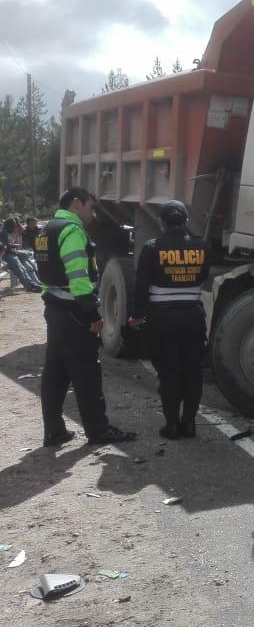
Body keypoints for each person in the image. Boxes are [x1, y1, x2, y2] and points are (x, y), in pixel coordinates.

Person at [36, 188, 136, 446]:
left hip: (55, 308)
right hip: (74, 313)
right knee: (87, 373)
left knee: (55, 372)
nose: (93, 215)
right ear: (76, 203)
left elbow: (46, 277)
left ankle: (54, 431)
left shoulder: (46, 230)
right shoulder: (71, 230)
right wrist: (92, 314)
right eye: (91, 208)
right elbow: (78, 277)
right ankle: (99, 431)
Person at [129, 200, 210, 439]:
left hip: (161, 318)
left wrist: (137, 315)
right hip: (193, 316)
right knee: (193, 371)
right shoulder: (201, 247)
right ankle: (190, 423)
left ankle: (172, 424)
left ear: (162, 222)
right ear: (186, 221)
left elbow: (141, 285)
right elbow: (204, 275)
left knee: (169, 370)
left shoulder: (152, 247)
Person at [1, 217, 42, 292]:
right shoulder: (3, 233)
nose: (14, 227)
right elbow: (4, 247)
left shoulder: (7, 231)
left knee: (23, 269)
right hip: (6, 255)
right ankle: (30, 287)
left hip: (11, 252)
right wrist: (15, 246)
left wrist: (15, 248)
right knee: (20, 270)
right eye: (13, 225)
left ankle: (32, 284)